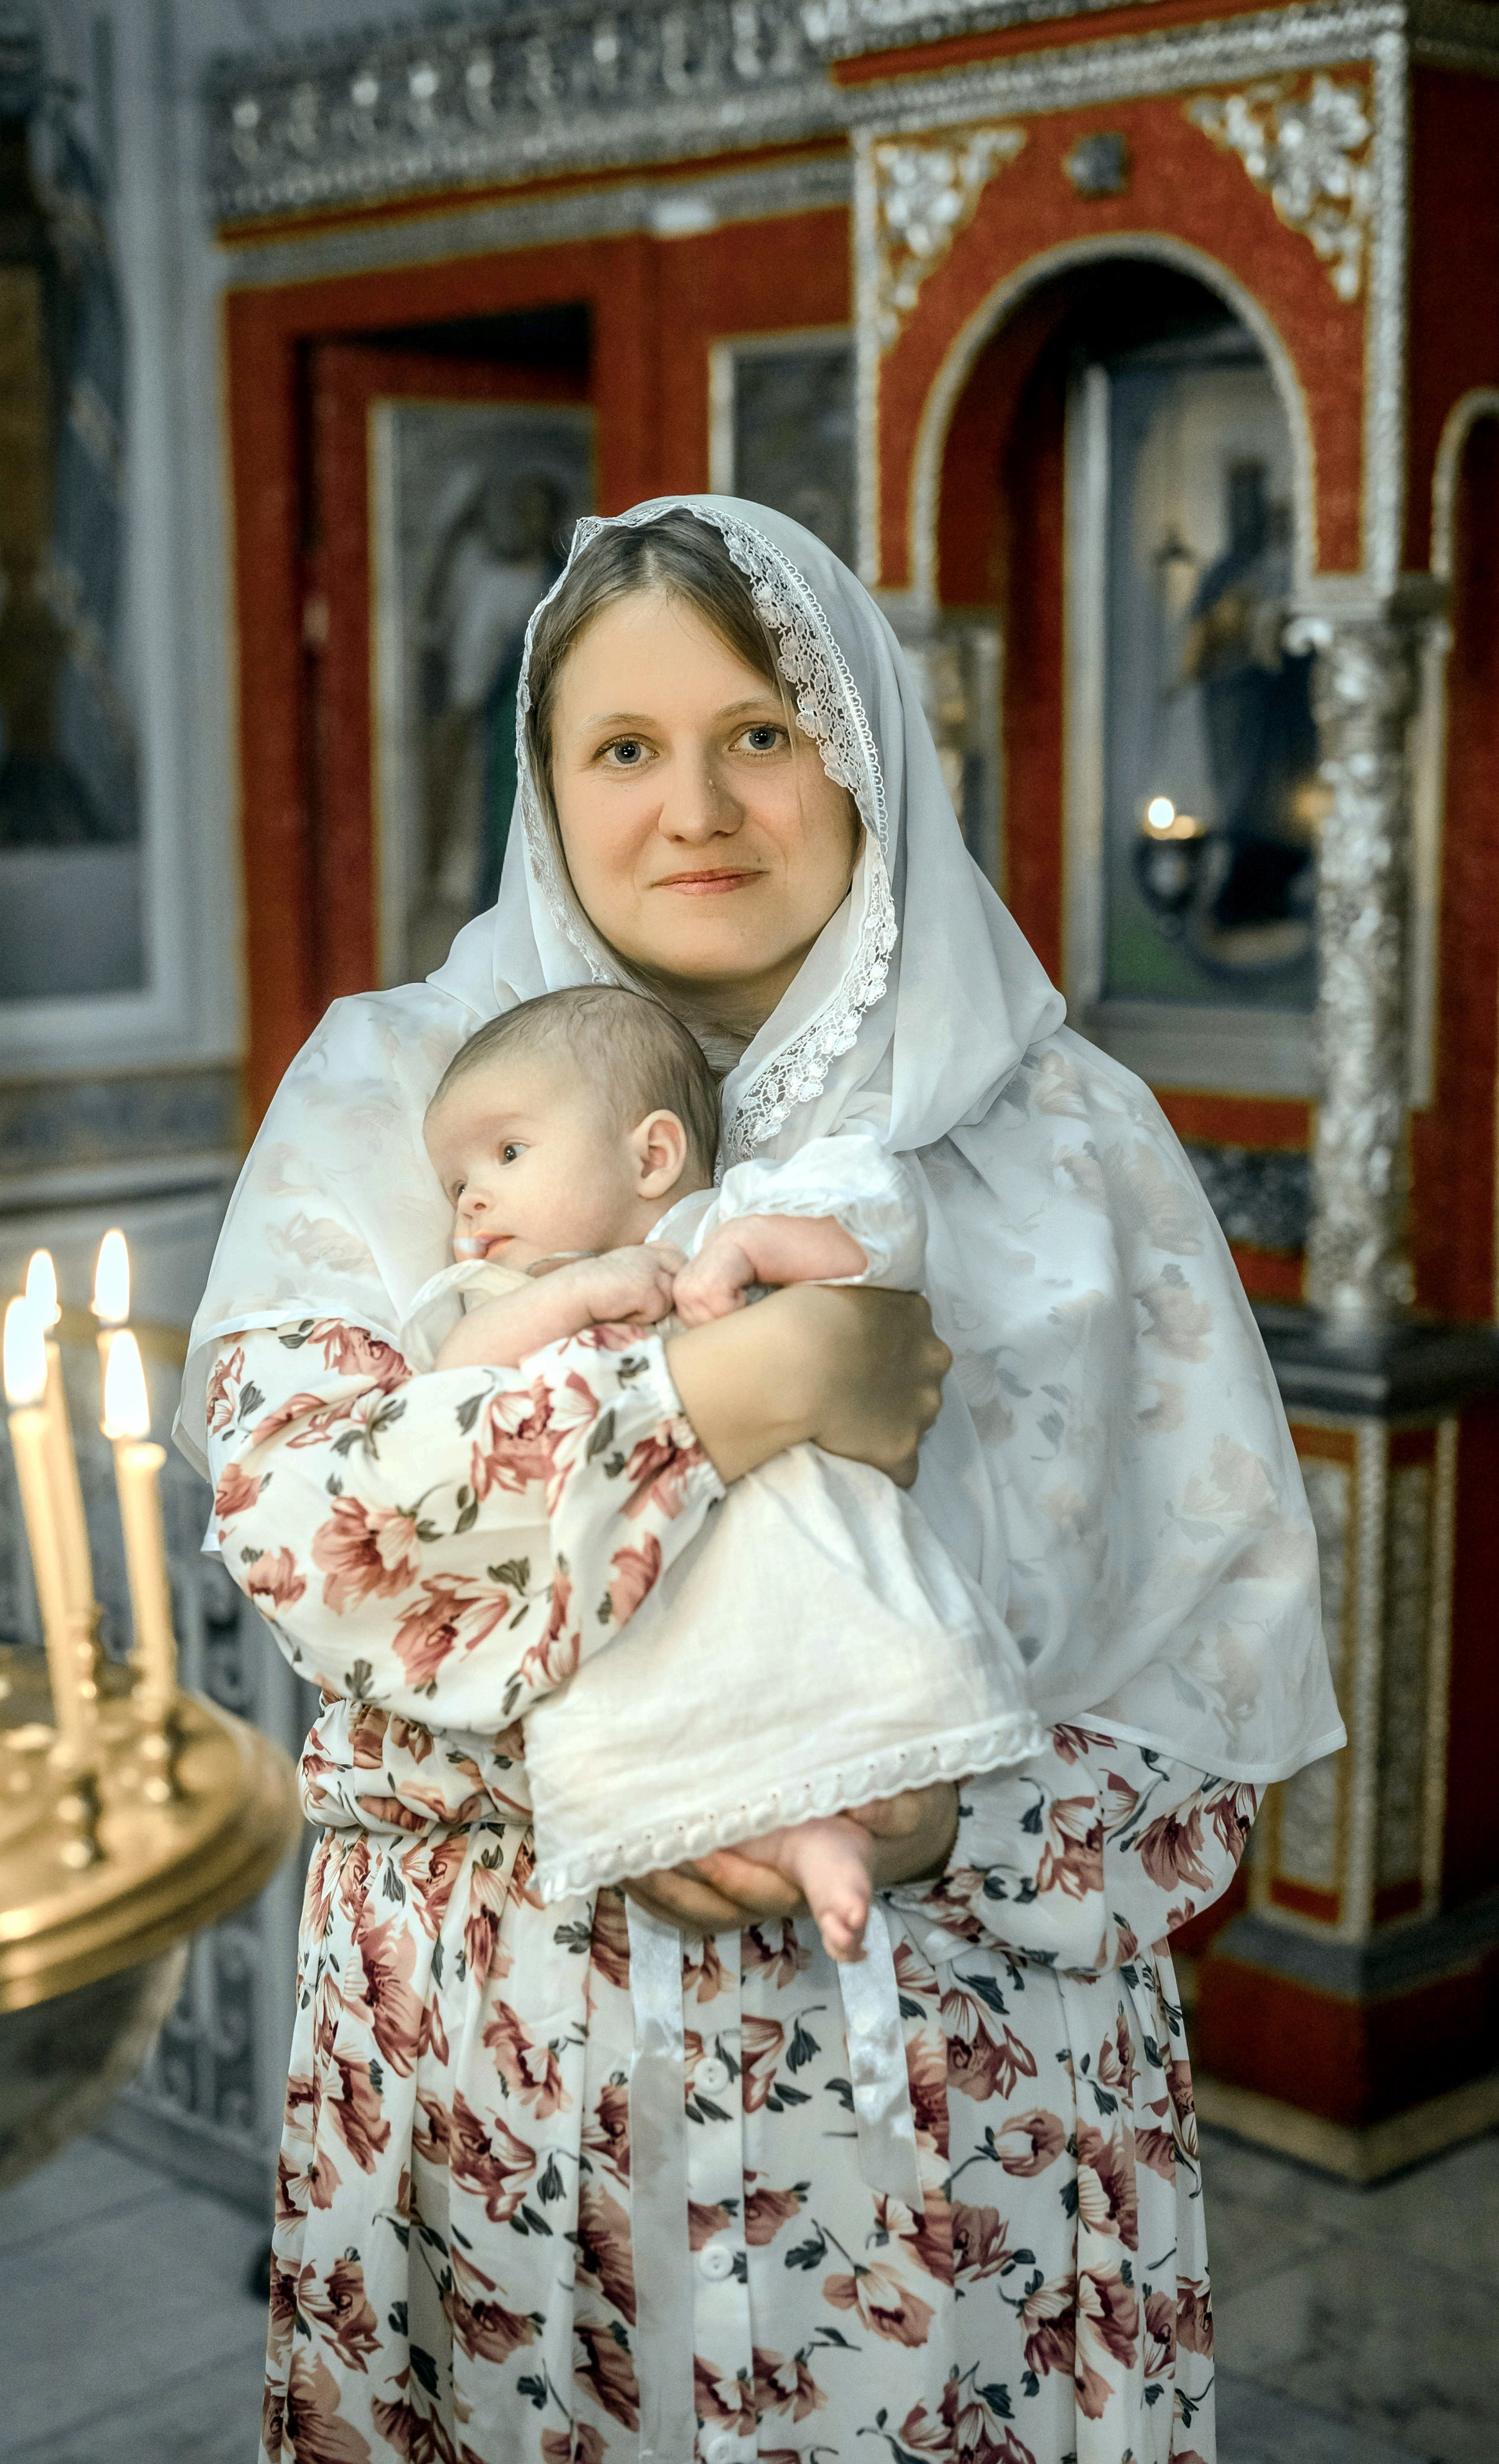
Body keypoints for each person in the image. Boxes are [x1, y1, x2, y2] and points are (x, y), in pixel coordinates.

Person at [182, 498, 1342, 2464]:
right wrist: (737, 1388)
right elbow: (317, 1544)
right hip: (513, 2087)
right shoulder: (399, 1098)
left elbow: (1205, 1698)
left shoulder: (1067, 1136)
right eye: (624, 748)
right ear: (547, 791)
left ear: (869, 752)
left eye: (762, 731)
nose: (696, 805)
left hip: (955, 2128)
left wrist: (943, 1820)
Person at [410, 981, 1040, 1966]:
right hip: (641, 1591)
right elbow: (453, 1393)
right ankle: (783, 1843)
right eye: (454, 1185)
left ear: (653, 1154)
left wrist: (752, 1248)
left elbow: (878, 1232)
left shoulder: (729, 1222)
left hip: (784, 1548)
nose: (472, 1197)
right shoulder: (509, 1296)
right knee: (674, 1730)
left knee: (831, 1691)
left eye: (508, 1153)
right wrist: (576, 1291)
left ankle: (838, 1830)